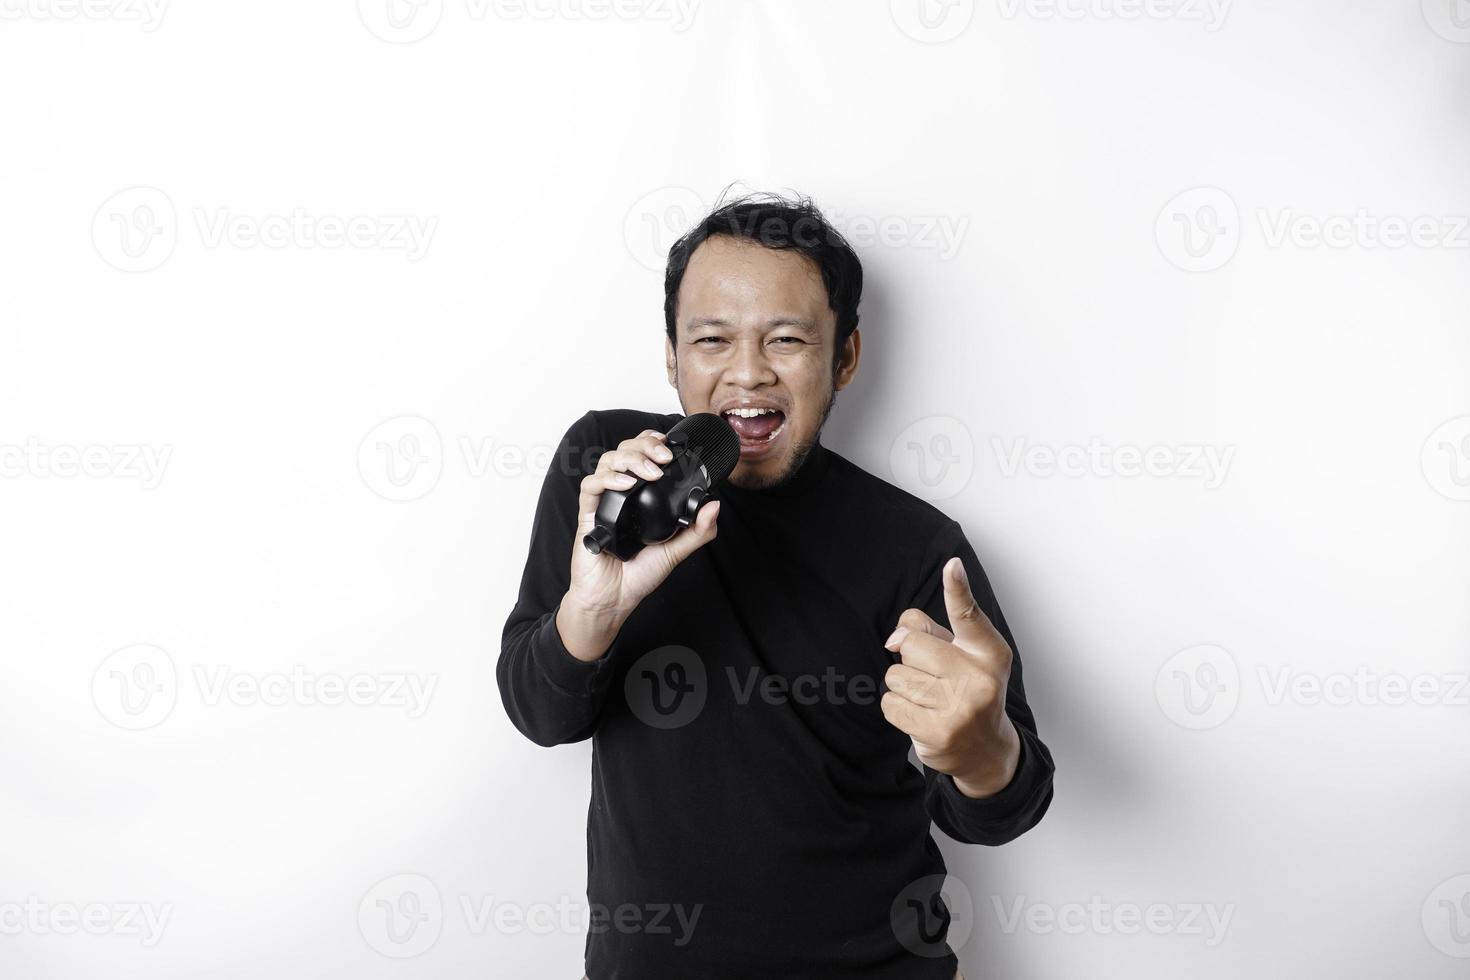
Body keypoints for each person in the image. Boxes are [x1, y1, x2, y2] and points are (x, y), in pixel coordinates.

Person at [498, 191, 1055, 979]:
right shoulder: (608, 472)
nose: (747, 373)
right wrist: (593, 608)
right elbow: (540, 713)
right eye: (712, 340)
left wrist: (983, 751)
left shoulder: (917, 546)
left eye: (787, 340)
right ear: (672, 356)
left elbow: (1007, 803)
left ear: (846, 358)